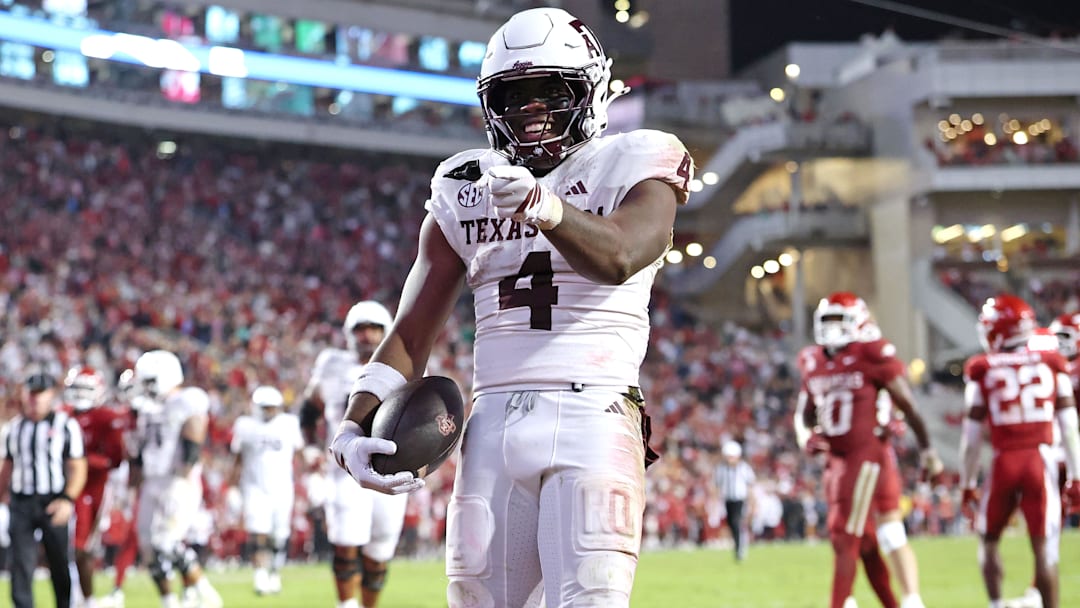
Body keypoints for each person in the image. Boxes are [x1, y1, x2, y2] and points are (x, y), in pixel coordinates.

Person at [328, 7, 691, 607]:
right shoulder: (465, 184)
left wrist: (545, 209)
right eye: (514, 96)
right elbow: (412, 331)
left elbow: (623, 254)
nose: (531, 110)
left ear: (592, 90)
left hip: (594, 413)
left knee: (591, 600)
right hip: (491, 422)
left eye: (550, 91)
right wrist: (353, 424)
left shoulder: (638, 160)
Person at [793, 292, 942, 608]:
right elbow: (803, 414)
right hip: (837, 459)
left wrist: (923, 446)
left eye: (839, 321)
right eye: (827, 321)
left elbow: (903, 403)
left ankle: (907, 600)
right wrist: (805, 436)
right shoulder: (813, 359)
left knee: (874, 533)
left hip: (871, 453)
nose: (832, 329)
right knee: (863, 539)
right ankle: (890, 602)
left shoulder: (871, 352)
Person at [959, 295, 1080, 608]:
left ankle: (996, 604)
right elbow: (1069, 428)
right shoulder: (1053, 363)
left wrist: (967, 482)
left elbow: (971, 439)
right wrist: (1076, 477)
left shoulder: (981, 368)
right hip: (1040, 460)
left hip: (1004, 460)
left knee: (988, 542)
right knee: (1043, 548)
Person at [301, 300, 408, 608]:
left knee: (380, 552)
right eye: (361, 329)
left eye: (374, 329)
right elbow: (309, 410)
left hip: (391, 465)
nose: (367, 336)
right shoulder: (333, 364)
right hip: (344, 469)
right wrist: (309, 448)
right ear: (349, 333)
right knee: (346, 545)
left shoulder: (407, 364)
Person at [130, 350, 222, 608]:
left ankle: (203, 590)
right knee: (149, 548)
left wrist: (184, 476)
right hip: (152, 480)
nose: (145, 387)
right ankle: (169, 601)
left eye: (149, 381)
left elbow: (194, 435)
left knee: (166, 544)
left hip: (177, 479)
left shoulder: (187, 399)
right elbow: (140, 449)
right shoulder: (146, 406)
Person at [0, 372, 87, 608]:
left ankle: (64, 604)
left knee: (59, 562)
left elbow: (78, 466)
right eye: (31, 394)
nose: (35, 399)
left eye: (40, 394)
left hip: (53, 499)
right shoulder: (14, 428)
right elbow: (6, 467)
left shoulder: (65, 425)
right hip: (21, 502)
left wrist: (68, 499)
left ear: (51, 395)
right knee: (21, 563)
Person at [62, 365, 129, 608]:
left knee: (82, 548)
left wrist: (82, 460)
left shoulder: (106, 418)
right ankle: (80, 598)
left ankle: (85, 600)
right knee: (70, 547)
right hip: (67, 487)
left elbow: (116, 459)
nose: (80, 394)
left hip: (94, 488)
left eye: (85, 388)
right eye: (76, 388)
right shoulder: (63, 415)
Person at [229, 385, 304, 595]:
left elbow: (299, 454)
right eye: (266, 407)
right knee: (257, 532)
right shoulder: (244, 425)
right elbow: (237, 459)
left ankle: (274, 572)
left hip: (282, 488)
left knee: (278, 536)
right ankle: (260, 576)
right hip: (254, 487)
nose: (270, 411)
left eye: (272, 407)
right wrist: (231, 487)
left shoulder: (289, 423)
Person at [714, 440, 755, 562]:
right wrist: (715, 501)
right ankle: (738, 546)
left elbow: (750, 486)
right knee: (731, 524)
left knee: (737, 522)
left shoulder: (744, 468)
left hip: (740, 500)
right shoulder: (721, 469)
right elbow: (717, 485)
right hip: (727, 499)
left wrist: (753, 502)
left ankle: (739, 549)